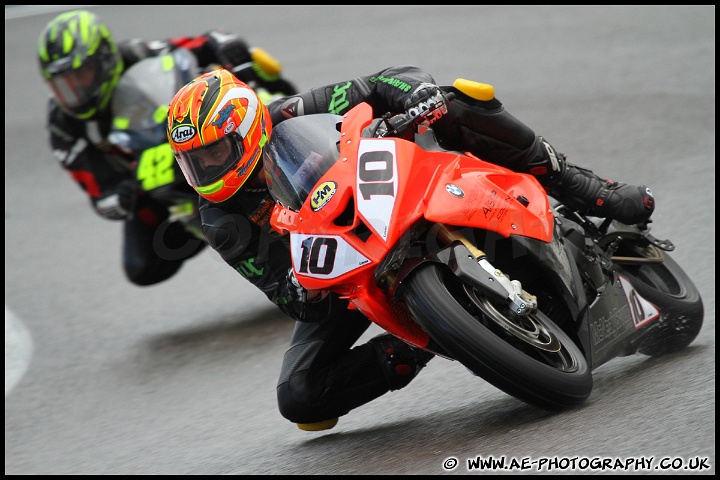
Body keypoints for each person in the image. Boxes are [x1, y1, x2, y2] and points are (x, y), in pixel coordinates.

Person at [166, 66, 655, 431]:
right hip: (345, 272)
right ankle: (422, 341)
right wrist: (302, 287)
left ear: (246, 129)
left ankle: (580, 184)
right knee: (299, 398)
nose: (206, 169)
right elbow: (287, 297)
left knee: (458, 98)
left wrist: (415, 94)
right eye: (193, 162)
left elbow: (380, 83)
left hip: (388, 194)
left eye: (213, 152)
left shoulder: (292, 112)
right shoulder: (222, 221)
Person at [37, 9, 297, 286]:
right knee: (142, 267)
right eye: (62, 84)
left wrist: (230, 49)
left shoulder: (139, 53)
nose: (74, 91)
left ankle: (297, 128)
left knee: (258, 67)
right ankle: (219, 232)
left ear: (103, 60)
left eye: (81, 76)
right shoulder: (62, 125)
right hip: (146, 180)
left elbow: (209, 41)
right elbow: (98, 193)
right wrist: (123, 194)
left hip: (193, 133)